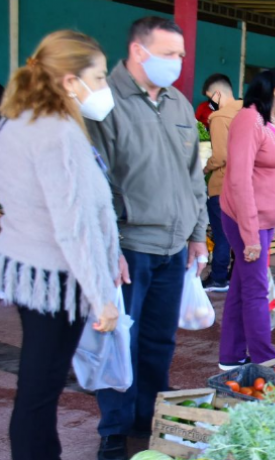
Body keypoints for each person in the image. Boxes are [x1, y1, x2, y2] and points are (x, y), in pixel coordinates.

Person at [85, 17, 209, 460]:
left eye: (181, 55)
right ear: (140, 51)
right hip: (130, 246)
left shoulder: (178, 103)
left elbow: (192, 173)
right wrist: (110, 247)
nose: (178, 63)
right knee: (119, 340)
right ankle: (113, 427)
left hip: (174, 246)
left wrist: (198, 235)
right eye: (170, 54)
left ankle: (149, 414)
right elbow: (97, 184)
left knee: (159, 339)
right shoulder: (105, 103)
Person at [0, 30, 121, 460]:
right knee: (40, 389)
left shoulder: (20, 120)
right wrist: (100, 295)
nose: (105, 87)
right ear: (71, 81)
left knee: (38, 387)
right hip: (55, 278)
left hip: (31, 272)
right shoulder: (56, 132)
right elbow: (72, 226)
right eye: (101, 77)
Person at [219, 70, 275, 368]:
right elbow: (239, 179)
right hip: (247, 220)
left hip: (263, 221)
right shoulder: (249, 119)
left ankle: (231, 357)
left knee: (241, 287)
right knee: (255, 291)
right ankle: (264, 359)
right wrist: (251, 234)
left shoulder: (269, 121)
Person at [201, 73, 243, 292]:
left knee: (221, 234)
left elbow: (220, 156)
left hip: (222, 185)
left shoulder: (219, 118)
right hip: (245, 186)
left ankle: (218, 277)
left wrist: (203, 168)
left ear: (217, 94)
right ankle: (237, 276)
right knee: (240, 236)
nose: (211, 103)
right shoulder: (249, 113)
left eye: (210, 97)